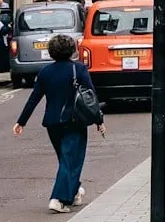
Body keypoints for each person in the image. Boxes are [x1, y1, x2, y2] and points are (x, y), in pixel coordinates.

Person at [14, 32, 101, 212]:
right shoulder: (79, 69)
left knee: (65, 159)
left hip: (52, 123)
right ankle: (58, 199)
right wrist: (99, 119)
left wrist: (21, 121)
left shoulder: (45, 71)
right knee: (71, 160)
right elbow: (90, 96)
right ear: (72, 50)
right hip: (74, 121)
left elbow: (34, 98)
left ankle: (75, 191)